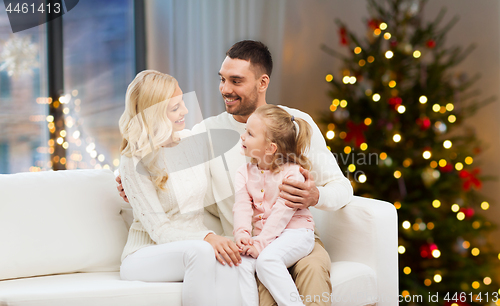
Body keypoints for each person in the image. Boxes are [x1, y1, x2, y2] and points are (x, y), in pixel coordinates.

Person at [117, 40, 353, 306]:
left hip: (294, 235)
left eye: (236, 81)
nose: (225, 89)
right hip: (247, 246)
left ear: (262, 83)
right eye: (222, 79)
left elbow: (342, 188)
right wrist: (129, 183)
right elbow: (159, 156)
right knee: (263, 287)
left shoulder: (296, 123)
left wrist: (315, 195)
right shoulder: (205, 134)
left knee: (312, 270)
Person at [117, 70, 240, 306]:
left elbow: (208, 196)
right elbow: (159, 231)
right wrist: (208, 237)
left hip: (193, 246)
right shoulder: (133, 159)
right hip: (145, 254)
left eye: (182, 102)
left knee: (236, 256)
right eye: (175, 108)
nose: (184, 111)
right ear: (154, 114)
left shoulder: (189, 141)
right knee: (203, 252)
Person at [234, 104, 316, 306]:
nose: (243, 136)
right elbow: (242, 207)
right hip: (267, 237)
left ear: (270, 148)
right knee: (241, 263)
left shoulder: (292, 173)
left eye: (250, 133)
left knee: (267, 261)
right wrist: (243, 235)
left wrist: (260, 244)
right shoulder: (243, 172)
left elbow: (281, 214)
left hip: (296, 233)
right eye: (246, 131)